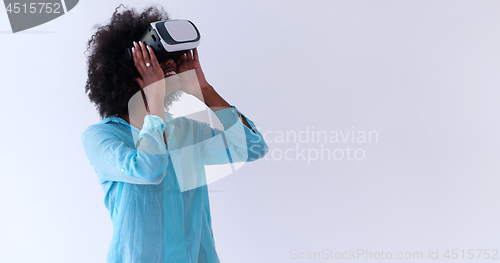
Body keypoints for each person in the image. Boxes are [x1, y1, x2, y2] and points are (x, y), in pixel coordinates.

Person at [81, 5, 268, 263]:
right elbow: (150, 168)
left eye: (172, 62)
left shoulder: (185, 131)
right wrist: (154, 100)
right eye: (159, 64)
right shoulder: (103, 137)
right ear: (131, 73)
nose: (171, 66)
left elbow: (252, 147)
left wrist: (204, 89)